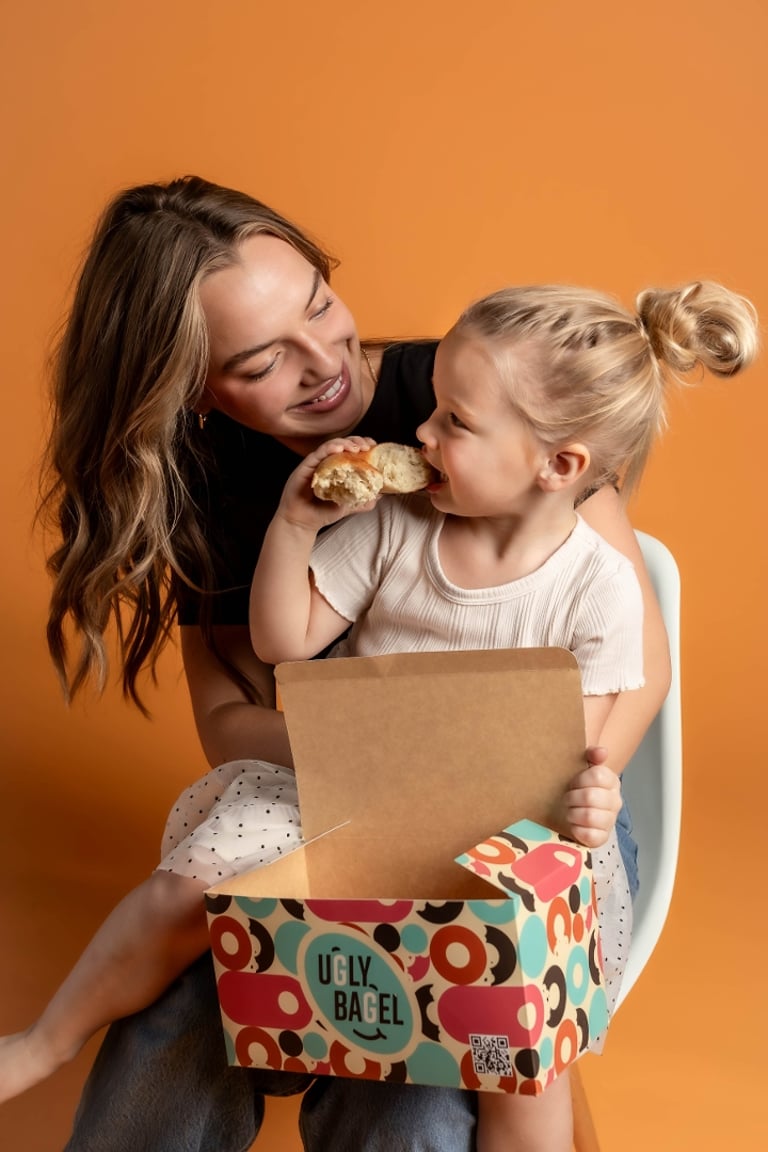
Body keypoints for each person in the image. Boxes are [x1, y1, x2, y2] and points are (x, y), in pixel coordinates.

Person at [12, 174, 672, 1150]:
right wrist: (386, 762)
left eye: (321, 302)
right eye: (264, 359)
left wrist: (545, 780)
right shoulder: (257, 499)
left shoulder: (461, 390)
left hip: (533, 803)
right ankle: (52, 1052)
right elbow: (237, 712)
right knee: (191, 997)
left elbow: (635, 666)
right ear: (188, 386)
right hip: (323, 791)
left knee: (418, 1073)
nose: (328, 365)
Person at [249, 280, 758, 1151]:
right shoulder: (394, 530)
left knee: (521, 1054)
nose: (422, 434)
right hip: (382, 823)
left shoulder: (596, 588)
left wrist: (589, 809)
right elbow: (282, 643)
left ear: (556, 466)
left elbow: (571, 765)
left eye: (455, 421)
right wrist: (296, 528)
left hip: (513, 844)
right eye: (435, 409)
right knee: (312, 953)